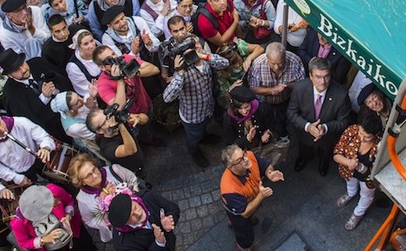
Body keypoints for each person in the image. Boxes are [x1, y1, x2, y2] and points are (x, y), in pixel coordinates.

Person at [161, 35, 229, 167]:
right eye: (189, 48)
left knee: (204, 128)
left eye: (195, 44)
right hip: (192, 117)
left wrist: (205, 56)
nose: (195, 48)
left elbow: (225, 63)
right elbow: (167, 97)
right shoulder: (182, 71)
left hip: (208, 108)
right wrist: (179, 73)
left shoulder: (205, 57)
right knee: (193, 137)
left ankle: (204, 137)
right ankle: (194, 151)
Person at [287, 57, 353, 176]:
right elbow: (291, 113)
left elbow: (344, 122)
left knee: (325, 152)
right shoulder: (299, 88)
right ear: (311, 76)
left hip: (328, 136)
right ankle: (303, 158)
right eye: (318, 77)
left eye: (326, 76)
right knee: (304, 149)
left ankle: (323, 162)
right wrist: (307, 127)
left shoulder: (341, 94)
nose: (322, 81)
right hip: (304, 133)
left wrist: (325, 127)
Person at [219, 143, 285, 251]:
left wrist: (270, 173)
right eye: (240, 160)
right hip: (239, 212)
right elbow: (245, 213)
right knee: (244, 233)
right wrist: (261, 195)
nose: (246, 159)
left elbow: (265, 166)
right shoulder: (230, 189)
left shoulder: (250, 156)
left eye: (243, 153)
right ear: (231, 167)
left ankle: (231, 221)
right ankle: (243, 246)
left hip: (249, 199)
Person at [67, 153, 141, 245]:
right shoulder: (82, 199)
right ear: (82, 182)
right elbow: (89, 220)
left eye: (94, 169)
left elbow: (132, 179)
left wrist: (133, 194)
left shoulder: (114, 170)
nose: (95, 175)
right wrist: (106, 222)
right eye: (88, 175)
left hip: (137, 211)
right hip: (120, 230)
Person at [0, 106, 55, 186]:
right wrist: (16, 178)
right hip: (20, 173)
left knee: (57, 182)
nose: (1, 129)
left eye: (0, 123)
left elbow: (43, 136)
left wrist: (45, 147)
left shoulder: (20, 122)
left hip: (39, 159)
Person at [332, 112, 383, 230]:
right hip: (349, 171)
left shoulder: (380, 146)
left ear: (376, 135)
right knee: (350, 183)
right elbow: (336, 154)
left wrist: (360, 167)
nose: (361, 138)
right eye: (360, 133)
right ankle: (350, 194)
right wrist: (348, 163)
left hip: (367, 179)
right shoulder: (352, 131)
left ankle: (358, 214)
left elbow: (378, 170)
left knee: (366, 195)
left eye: (367, 137)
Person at [104, 189, 180, 251]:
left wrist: (170, 219)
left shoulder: (147, 197)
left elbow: (172, 208)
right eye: (131, 217)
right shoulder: (123, 245)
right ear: (125, 224)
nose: (138, 214)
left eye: (135, 208)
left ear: (133, 200)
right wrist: (158, 243)